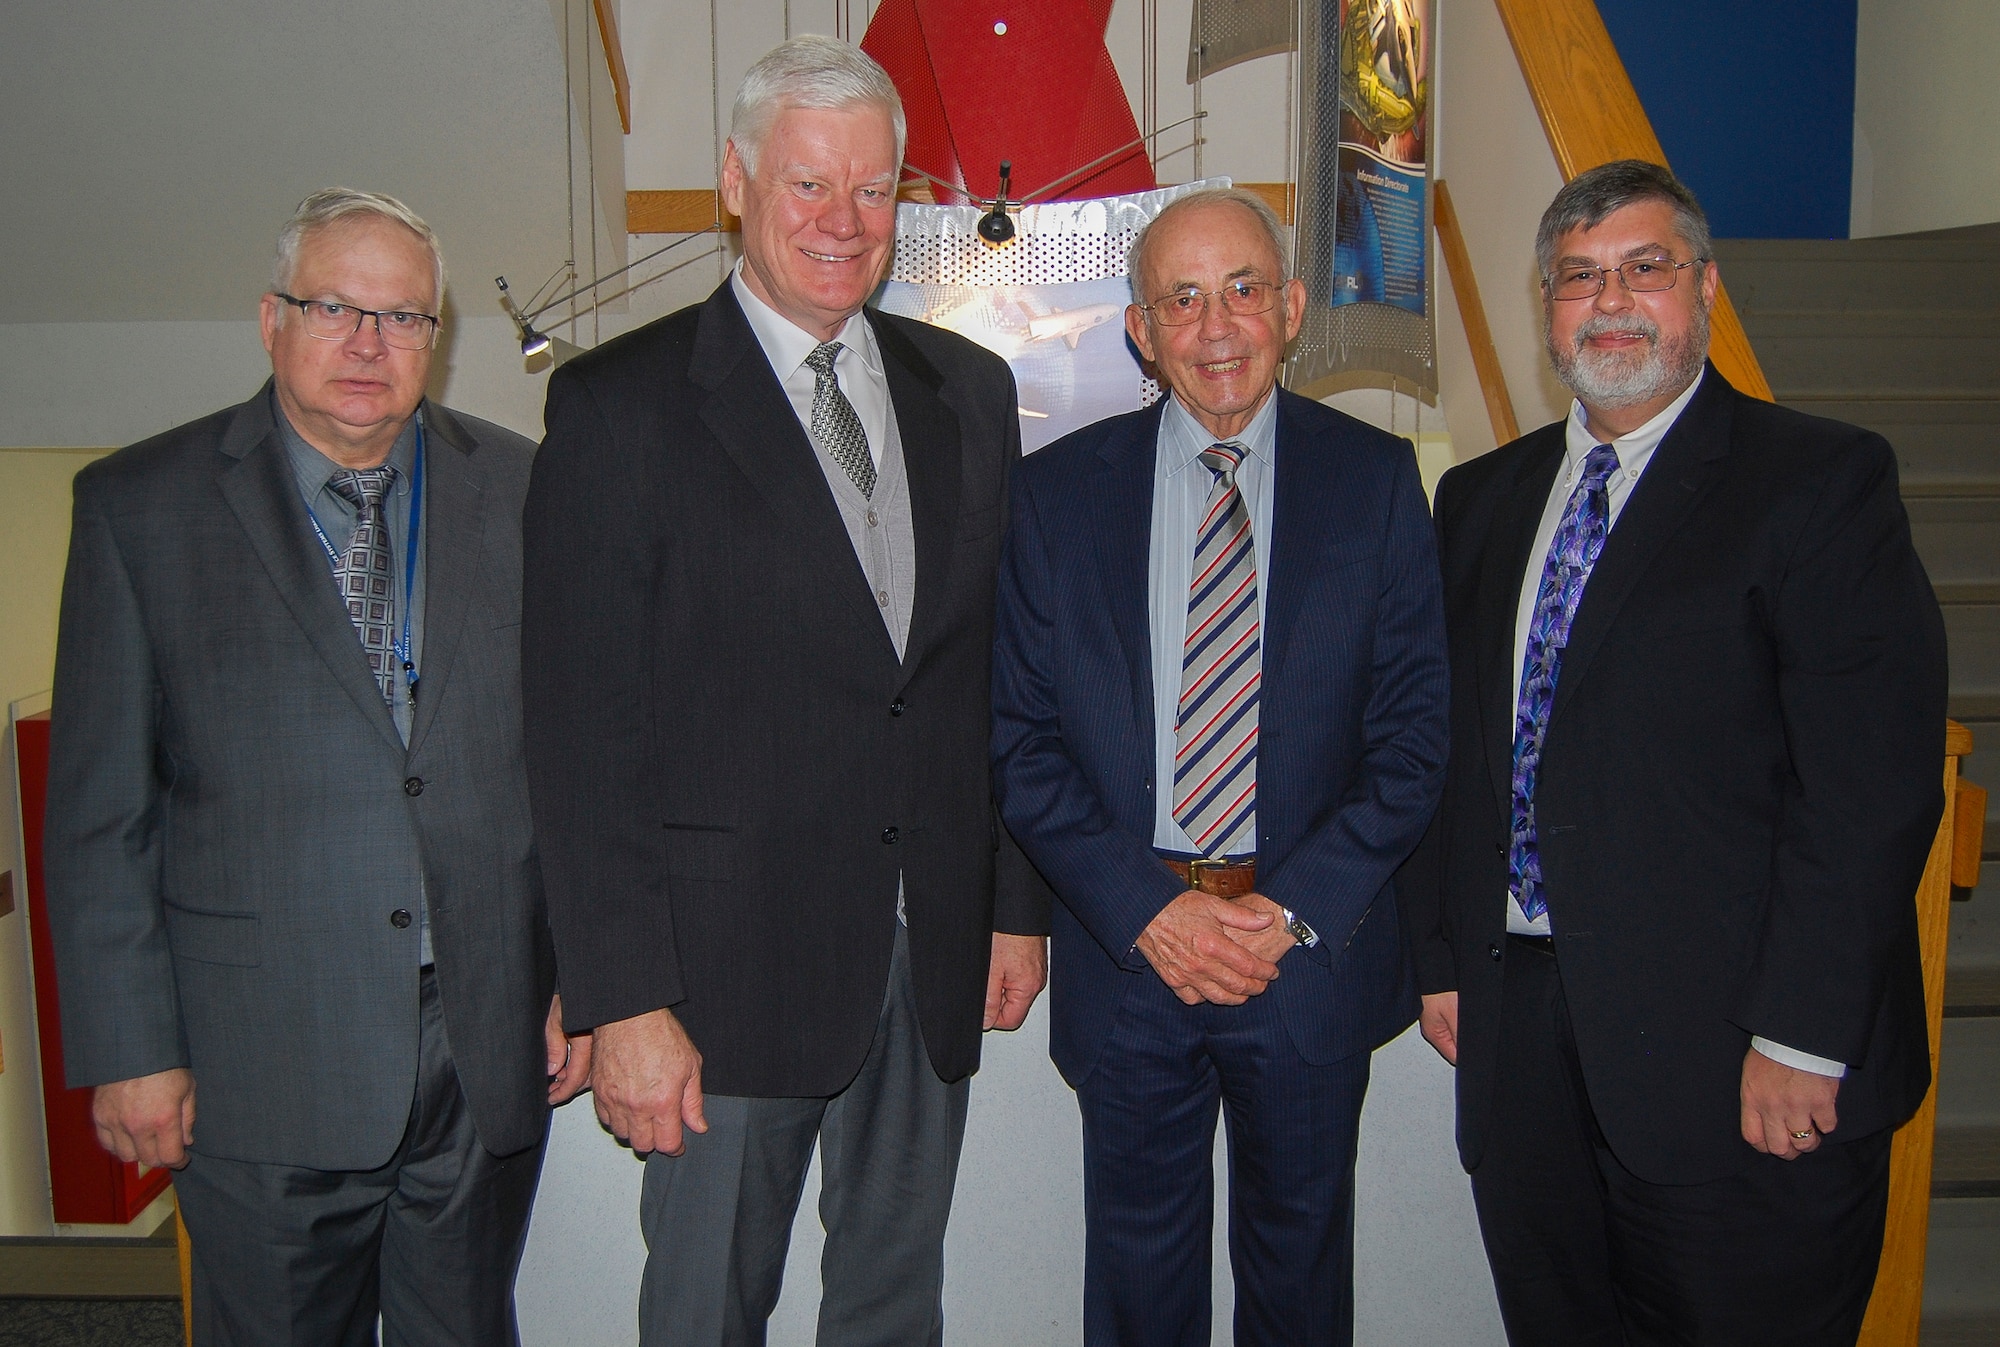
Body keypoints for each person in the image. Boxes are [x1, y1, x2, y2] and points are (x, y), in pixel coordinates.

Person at [521, 35, 1049, 1347]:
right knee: (705, 1313)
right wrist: (623, 995)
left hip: (925, 952)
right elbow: (579, 733)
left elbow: (992, 672)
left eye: (871, 190)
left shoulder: (969, 393)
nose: (841, 221)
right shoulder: (618, 405)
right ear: (734, 181)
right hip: (715, 983)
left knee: (893, 1304)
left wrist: (1011, 905)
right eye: (808, 184)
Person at [1401, 159, 1947, 1345]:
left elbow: (1865, 787)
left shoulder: (1816, 483)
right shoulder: (1481, 501)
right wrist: (1440, 954)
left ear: (1702, 287)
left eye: (1643, 270)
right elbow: (1455, 753)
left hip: (1741, 1064)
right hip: (1528, 1048)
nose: (1609, 303)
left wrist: (1801, 1036)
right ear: (1543, 305)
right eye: (1576, 278)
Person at [43, 188, 587, 1345]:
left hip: (477, 1046)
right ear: (269, 319)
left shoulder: (527, 488)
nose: (367, 344)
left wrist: (574, 977)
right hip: (258, 1058)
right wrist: (130, 1051)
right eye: (334, 307)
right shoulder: (140, 509)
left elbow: (569, 765)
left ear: (433, 342)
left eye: (402, 319)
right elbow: (101, 815)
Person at [991, 186, 1450, 1346]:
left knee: (1299, 1295)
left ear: (1290, 307)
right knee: (1137, 1297)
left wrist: (1286, 910)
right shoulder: (1051, 496)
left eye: (1242, 290)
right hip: (1128, 955)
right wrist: (1148, 911)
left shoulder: (1379, 482)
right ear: (1139, 330)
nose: (1215, 326)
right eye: (1180, 299)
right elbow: (1017, 740)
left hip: (1302, 961)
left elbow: (1410, 740)